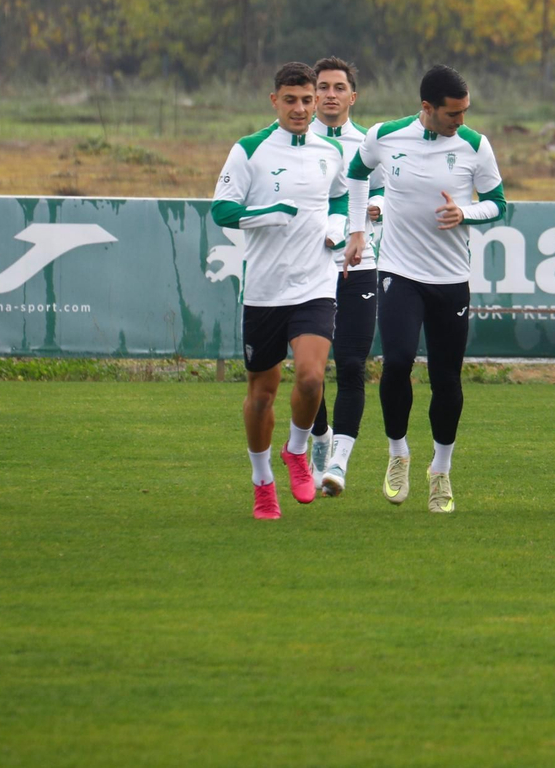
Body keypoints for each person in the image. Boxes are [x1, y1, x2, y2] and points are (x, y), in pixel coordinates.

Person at [344, 65, 507, 514]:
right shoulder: (386, 135)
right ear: (427, 108)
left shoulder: (475, 145)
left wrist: (467, 214)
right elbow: (357, 174)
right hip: (399, 271)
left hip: (451, 280)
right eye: (453, 114)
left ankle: (441, 469)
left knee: (446, 380)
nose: (461, 121)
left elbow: (499, 203)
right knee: (396, 362)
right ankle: (398, 454)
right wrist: (357, 230)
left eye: (466, 112)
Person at [212, 62, 348, 520]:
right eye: (291, 100)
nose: (301, 108)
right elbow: (222, 211)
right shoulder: (249, 150)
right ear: (275, 100)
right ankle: (262, 482)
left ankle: (296, 450)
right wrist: (269, 212)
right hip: (266, 291)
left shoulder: (329, 151)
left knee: (311, 378)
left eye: (308, 100)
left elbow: (340, 197)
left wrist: (336, 226)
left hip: (316, 282)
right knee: (263, 394)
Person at [307, 56, 385, 497]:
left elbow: (392, 193)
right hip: (310, 268)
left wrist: (378, 209)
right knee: (311, 372)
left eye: (339, 87)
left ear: (353, 96)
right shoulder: (295, 143)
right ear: (312, 94)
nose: (330, 94)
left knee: (352, 365)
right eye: (323, 87)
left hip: (360, 265)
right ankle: (319, 436)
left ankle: (338, 460)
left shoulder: (369, 144)